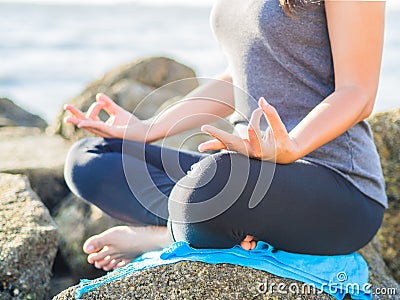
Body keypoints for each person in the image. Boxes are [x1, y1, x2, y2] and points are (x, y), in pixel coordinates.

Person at [64, 0, 387, 272]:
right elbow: (238, 77)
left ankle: (165, 236)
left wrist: (291, 147)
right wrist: (147, 129)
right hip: (249, 175)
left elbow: (357, 91)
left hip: (338, 189)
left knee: (216, 180)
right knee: (90, 159)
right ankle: (200, 224)